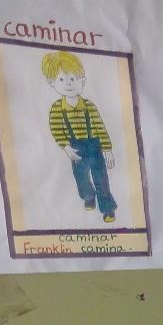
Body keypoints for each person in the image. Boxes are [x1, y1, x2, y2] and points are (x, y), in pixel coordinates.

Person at [42, 51, 117, 223]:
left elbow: (100, 127)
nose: (68, 83)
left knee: (101, 178)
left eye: (73, 78)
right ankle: (88, 197)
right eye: (62, 79)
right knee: (82, 178)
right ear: (52, 82)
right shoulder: (57, 109)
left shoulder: (89, 106)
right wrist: (66, 148)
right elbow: (57, 129)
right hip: (75, 148)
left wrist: (107, 149)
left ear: (82, 80)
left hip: (95, 147)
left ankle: (108, 208)